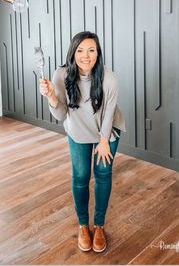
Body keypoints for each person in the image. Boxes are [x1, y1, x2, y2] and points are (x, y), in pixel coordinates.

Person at [39, 31, 126, 253]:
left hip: (106, 132)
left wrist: (104, 140)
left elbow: (108, 113)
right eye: (80, 50)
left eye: (91, 50)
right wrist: (51, 97)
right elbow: (60, 115)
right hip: (78, 132)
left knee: (103, 174)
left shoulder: (109, 78)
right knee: (80, 177)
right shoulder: (61, 75)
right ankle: (82, 225)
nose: (85, 56)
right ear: (73, 53)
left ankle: (99, 225)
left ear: (98, 53)